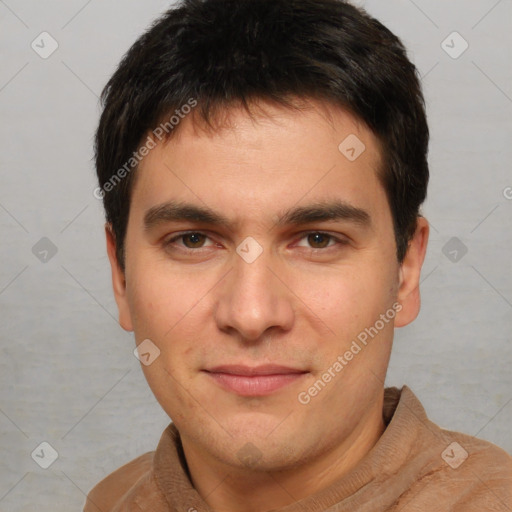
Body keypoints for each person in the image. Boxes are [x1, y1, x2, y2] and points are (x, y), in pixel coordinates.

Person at [85, 0, 512, 510]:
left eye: (317, 239)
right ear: (120, 274)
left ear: (406, 271)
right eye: (193, 240)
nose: (251, 314)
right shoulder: (110, 502)